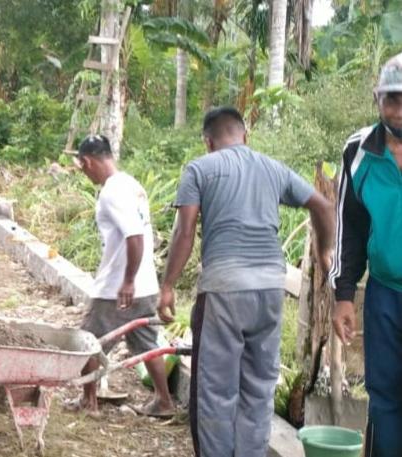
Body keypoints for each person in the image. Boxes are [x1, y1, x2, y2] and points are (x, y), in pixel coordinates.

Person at [158, 107, 334, 456]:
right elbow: (325, 207)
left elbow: (184, 232)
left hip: (224, 290)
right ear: (245, 136)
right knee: (258, 390)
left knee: (215, 392)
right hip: (270, 287)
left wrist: (167, 286)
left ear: (208, 142)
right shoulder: (273, 168)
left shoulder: (199, 168)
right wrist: (326, 252)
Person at [65, 134, 174, 418]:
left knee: (90, 340)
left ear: (87, 162)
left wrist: (127, 280)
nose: (85, 174)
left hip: (118, 288)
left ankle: (89, 401)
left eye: (82, 167)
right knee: (147, 343)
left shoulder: (111, 191)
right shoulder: (132, 185)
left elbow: (134, 236)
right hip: (146, 285)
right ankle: (164, 401)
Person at [329, 53, 402, 457]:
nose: (399, 111)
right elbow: (349, 227)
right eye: (392, 100)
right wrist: (343, 295)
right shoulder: (359, 150)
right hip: (385, 295)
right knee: (385, 396)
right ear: (378, 100)